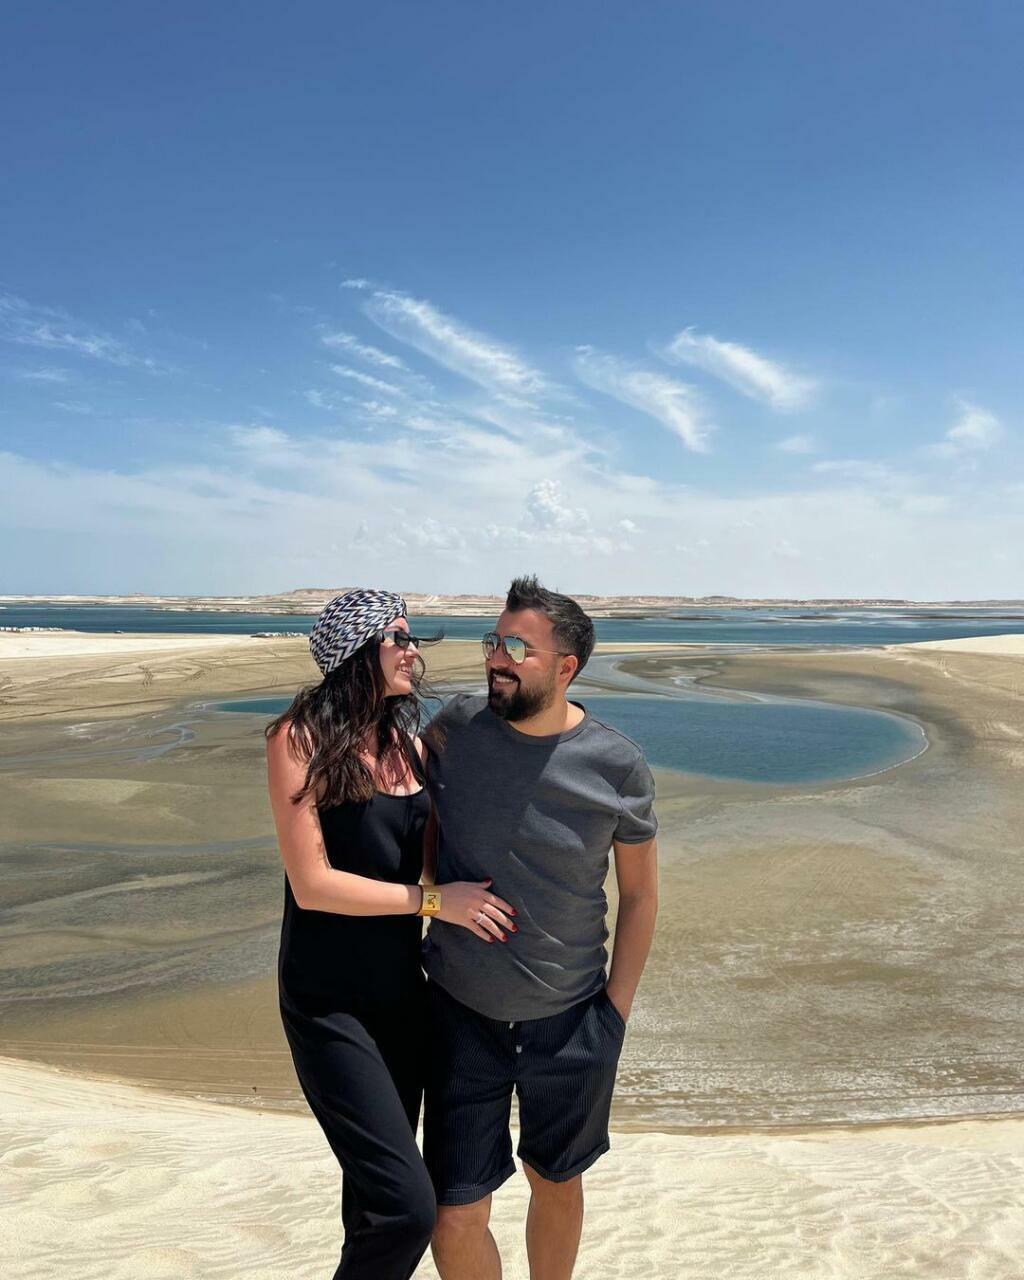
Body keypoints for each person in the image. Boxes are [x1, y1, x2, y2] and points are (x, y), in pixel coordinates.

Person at [265, 588, 515, 1280]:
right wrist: (435, 903)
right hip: (328, 1004)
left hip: (405, 996)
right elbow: (313, 884)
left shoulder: (407, 744)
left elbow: (430, 857)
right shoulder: (297, 740)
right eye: (398, 638)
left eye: (410, 637)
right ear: (356, 652)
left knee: (375, 1211)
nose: (413, 651)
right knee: (407, 1208)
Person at [422, 575, 660, 1280]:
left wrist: (614, 1013)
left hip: (572, 1019)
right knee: (454, 1212)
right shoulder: (455, 728)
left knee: (555, 1181)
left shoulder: (616, 764)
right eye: (493, 642)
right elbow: (407, 806)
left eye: (517, 648)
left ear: (566, 668)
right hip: (460, 1012)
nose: (497, 658)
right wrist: (429, 896)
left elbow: (640, 894)